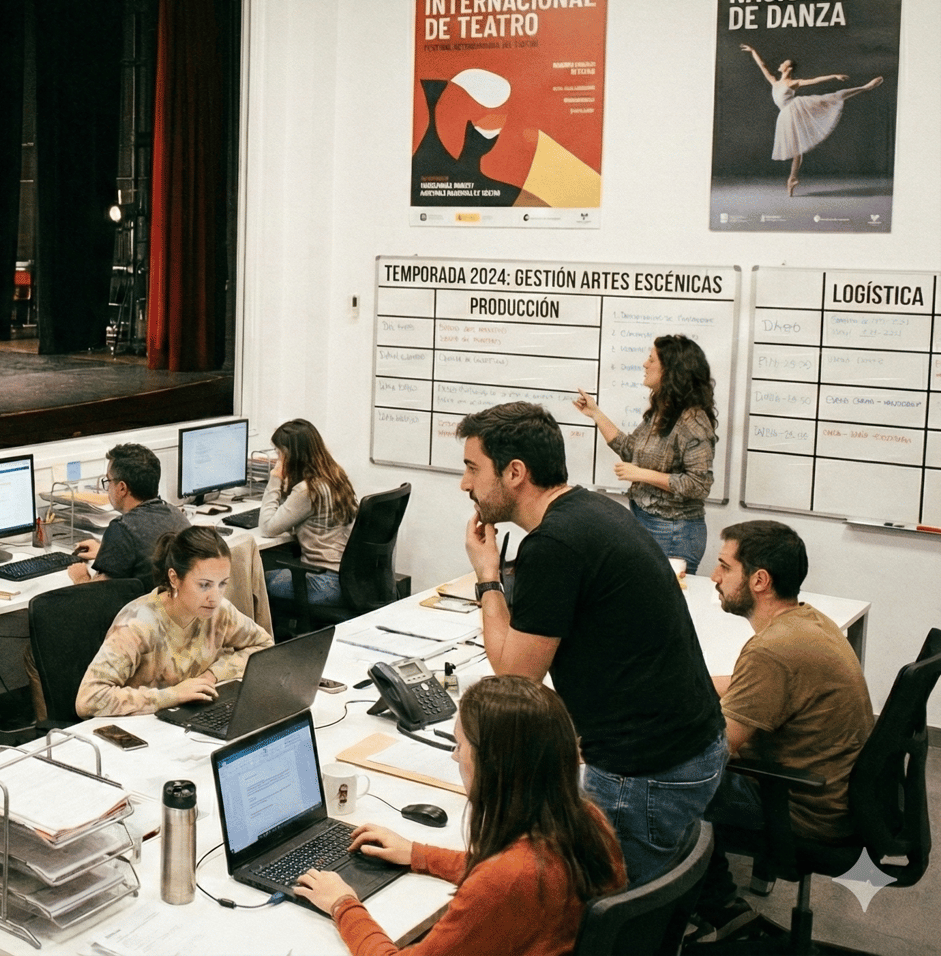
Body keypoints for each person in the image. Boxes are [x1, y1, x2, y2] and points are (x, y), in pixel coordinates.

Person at [457, 401, 725, 886]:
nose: (465, 484)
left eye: (473, 468)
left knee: (597, 916)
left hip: (645, 774)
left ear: (515, 472)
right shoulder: (590, 509)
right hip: (691, 748)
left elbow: (515, 678)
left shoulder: (554, 544)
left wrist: (488, 577)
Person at [292, 676, 626, 956]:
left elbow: (502, 881)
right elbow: (504, 874)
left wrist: (343, 904)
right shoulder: (587, 820)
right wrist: (418, 854)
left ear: (493, 763)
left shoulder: (508, 879)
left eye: (460, 746)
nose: (455, 758)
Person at [690, 520, 872, 937]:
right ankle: (714, 905)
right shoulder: (806, 623)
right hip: (833, 795)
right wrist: (684, 682)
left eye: (723, 566)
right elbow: (747, 686)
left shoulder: (773, 650)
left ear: (759, 580)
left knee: (663, 782)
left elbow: (714, 752)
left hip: (798, 806)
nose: (714, 578)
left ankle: (718, 911)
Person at [75, 525, 273, 718]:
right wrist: (173, 695)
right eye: (204, 585)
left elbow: (264, 646)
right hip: (142, 730)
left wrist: (212, 675)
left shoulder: (220, 612)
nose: (215, 597)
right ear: (174, 578)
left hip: (186, 720)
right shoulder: (137, 624)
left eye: (222, 584)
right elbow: (89, 699)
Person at [573, 334, 718, 572]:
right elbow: (630, 450)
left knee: (663, 603)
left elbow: (699, 485)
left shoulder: (693, 422)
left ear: (671, 370)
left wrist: (641, 474)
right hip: (646, 521)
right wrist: (596, 414)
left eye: (651, 360)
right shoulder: (661, 412)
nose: (644, 364)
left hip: (674, 532)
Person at [737, 43, 885, 196]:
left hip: (797, 108)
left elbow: (816, 79)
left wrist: (834, 76)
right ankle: (792, 178)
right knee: (797, 148)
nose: (780, 64)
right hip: (786, 115)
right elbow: (762, 65)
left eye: (784, 64)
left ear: (788, 69)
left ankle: (865, 87)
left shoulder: (793, 83)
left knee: (832, 98)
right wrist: (753, 51)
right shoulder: (774, 81)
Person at [258, 418, 356, 607]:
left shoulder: (307, 490)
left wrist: (275, 478)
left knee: (254, 582)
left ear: (291, 456)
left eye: (279, 454)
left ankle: (267, 636)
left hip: (322, 583)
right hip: (346, 579)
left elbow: (267, 528)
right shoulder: (335, 475)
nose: (278, 460)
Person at [68, 443, 189, 584]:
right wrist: (105, 551)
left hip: (147, 605)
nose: (108, 488)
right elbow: (146, 554)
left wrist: (80, 577)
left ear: (122, 488)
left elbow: (97, 597)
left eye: (108, 481)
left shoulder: (122, 529)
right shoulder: (177, 514)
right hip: (170, 603)